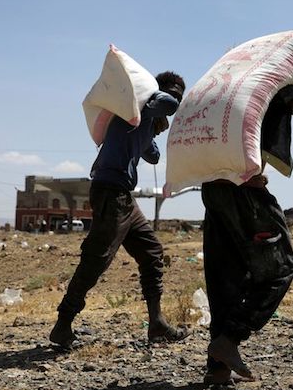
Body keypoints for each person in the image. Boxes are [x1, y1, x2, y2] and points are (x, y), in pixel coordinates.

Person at [201, 34, 293, 385]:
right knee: (280, 269)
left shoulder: (235, 91)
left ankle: (217, 369)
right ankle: (230, 339)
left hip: (213, 188)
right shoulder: (282, 90)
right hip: (246, 193)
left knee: (225, 275)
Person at [49, 71, 189, 349]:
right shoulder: (137, 105)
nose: (175, 101)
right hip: (110, 191)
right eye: (173, 94)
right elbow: (167, 105)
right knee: (96, 259)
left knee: (151, 252)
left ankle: (156, 323)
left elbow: (153, 155)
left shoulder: (142, 117)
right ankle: (62, 325)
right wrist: (168, 106)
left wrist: (152, 128)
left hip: (122, 195)